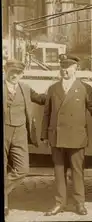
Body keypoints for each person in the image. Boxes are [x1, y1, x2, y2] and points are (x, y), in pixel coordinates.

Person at [41, 54, 92, 216]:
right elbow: (47, 114)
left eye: (67, 68)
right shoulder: (53, 89)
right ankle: (60, 203)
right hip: (57, 136)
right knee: (59, 172)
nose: (64, 70)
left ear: (75, 69)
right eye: (62, 67)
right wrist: (44, 135)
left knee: (77, 171)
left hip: (76, 136)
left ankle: (80, 203)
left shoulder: (85, 88)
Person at [3, 60, 47, 217]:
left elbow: (42, 99)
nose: (14, 75)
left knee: (23, 169)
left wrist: (59, 93)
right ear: (5, 71)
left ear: (22, 74)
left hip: (20, 133)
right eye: (11, 72)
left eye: (18, 72)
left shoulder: (26, 89)